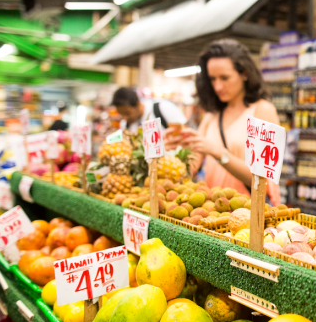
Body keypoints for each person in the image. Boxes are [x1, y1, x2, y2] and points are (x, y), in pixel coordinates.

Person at [176, 39, 281, 204]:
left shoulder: (262, 111)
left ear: (244, 74)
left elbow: (263, 179)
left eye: (225, 78)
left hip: (249, 217)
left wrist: (218, 153)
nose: (217, 86)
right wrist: (171, 151)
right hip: (214, 217)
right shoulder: (212, 116)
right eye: (212, 79)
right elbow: (188, 169)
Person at [111, 87, 187, 134]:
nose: (125, 118)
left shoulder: (163, 108)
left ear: (138, 104)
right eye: (122, 114)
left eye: (128, 113)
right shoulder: (125, 125)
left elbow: (184, 133)